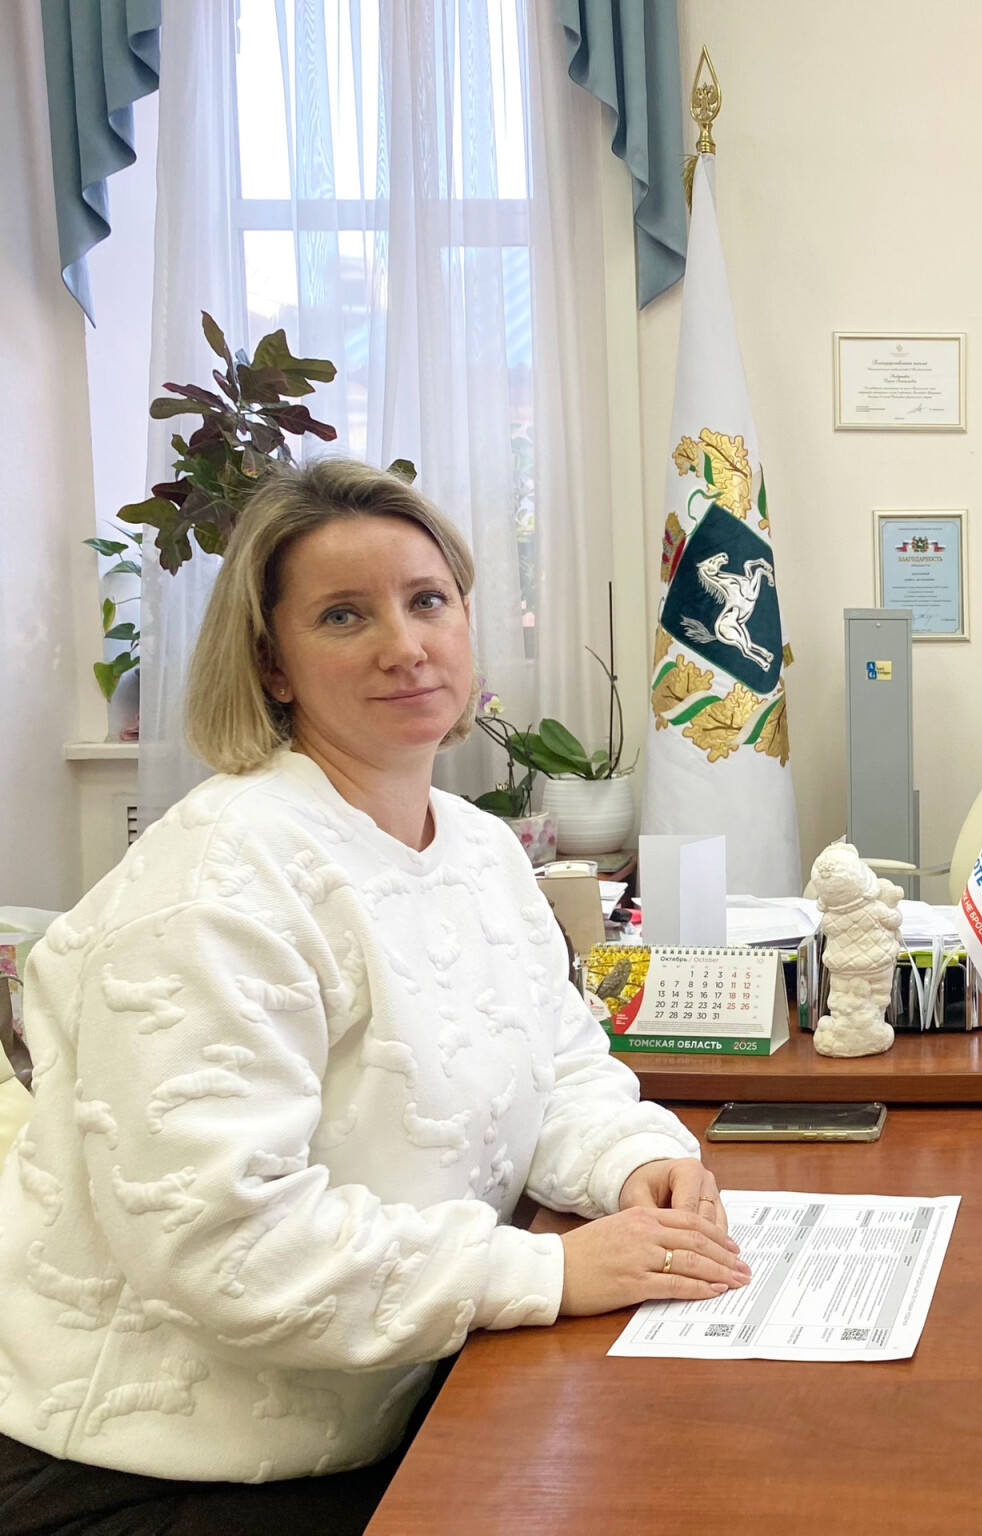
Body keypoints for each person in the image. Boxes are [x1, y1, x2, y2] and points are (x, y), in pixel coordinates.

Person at [0, 459, 751, 1536]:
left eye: (427, 600)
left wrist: (633, 1161)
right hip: (155, 1470)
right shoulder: (220, 878)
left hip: (394, 1411)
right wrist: (546, 1271)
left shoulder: (481, 848)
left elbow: (559, 1068)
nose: (404, 645)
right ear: (272, 664)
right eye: (344, 615)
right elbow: (223, 1242)